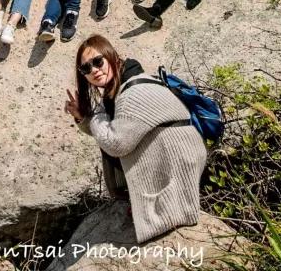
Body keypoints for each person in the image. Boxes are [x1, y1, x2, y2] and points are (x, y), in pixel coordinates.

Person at [64, 35, 207, 244]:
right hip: (174, 158)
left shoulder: (133, 91)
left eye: (97, 61)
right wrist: (83, 117)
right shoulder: (119, 89)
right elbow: (107, 132)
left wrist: (95, 115)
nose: (94, 70)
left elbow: (116, 143)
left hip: (178, 164)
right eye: (86, 68)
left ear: (112, 56)